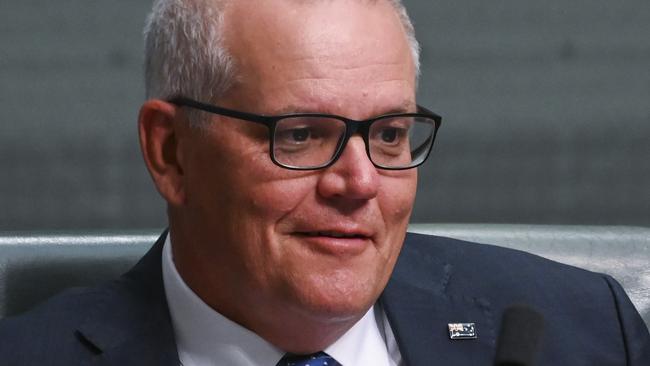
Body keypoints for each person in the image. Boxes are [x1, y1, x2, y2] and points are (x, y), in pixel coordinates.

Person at [0, 0, 648, 365]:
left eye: (390, 134)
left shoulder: (586, 334)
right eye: (302, 134)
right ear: (170, 153)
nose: (361, 182)